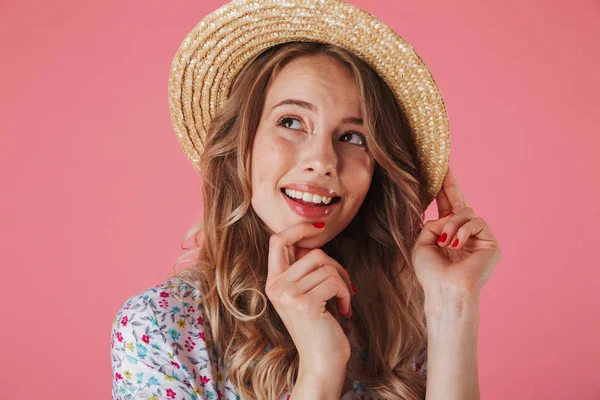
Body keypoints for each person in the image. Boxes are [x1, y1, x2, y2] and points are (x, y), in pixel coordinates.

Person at [110, 1, 501, 399]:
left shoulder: (404, 321)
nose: (323, 162)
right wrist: (320, 367)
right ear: (239, 145)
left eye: (353, 137)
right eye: (291, 122)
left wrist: (453, 302)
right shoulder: (160, 327)